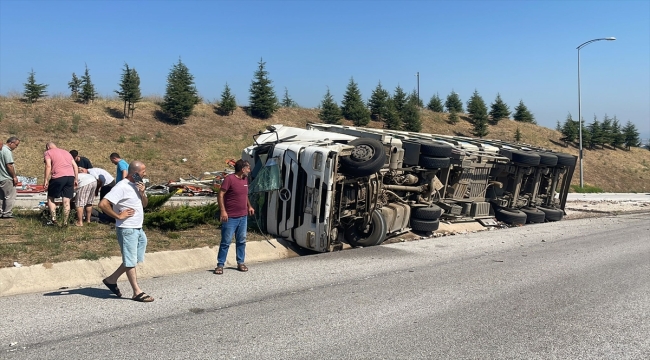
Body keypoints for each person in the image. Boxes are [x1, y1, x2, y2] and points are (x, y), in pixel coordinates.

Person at [99, 160, 154, 302]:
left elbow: (145, 204)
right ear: (136, 173)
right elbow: (103, 204)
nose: (145, 173)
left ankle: (111, 280)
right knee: (130, 261)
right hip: (127, 229)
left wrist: (142, 193)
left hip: (138, 228)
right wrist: (118, 216)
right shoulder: (121, 186)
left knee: (134, 259)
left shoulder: (137, 186)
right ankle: (137, 292)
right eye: (143, 171)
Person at [214, 159, 255, 275]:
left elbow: (244, 194)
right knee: (226, 241)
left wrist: (249, 206)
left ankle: (240, 262)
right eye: (248, 168)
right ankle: (220, 265)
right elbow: (220, 194)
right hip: (230, 217)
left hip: (243, 216)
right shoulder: (229, 179)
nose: (249, 170)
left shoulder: (245, 179)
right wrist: (223, 211)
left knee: (241, 240)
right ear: (242, 169)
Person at [43, 142, 78, 225]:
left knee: (51, 197)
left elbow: (48, 166)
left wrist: (46, 179)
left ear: (48, 147)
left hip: (58, 177)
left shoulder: (48, 152)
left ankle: (53, 219)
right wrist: (76, 179)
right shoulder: (66, 152)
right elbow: (75, 166)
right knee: (66, 200)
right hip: (70, 177)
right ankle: (65, 222)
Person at [0, 137, 20, 219]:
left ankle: (1, 211)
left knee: (1, 196)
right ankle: (7, 213)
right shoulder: (7, 151)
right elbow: (9, 165)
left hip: (0, 177)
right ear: (11, 143)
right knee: (10, 195)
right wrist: (14, 177)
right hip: (6, 177)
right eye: (16, 145)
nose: (16, 147)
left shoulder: (1, 150)